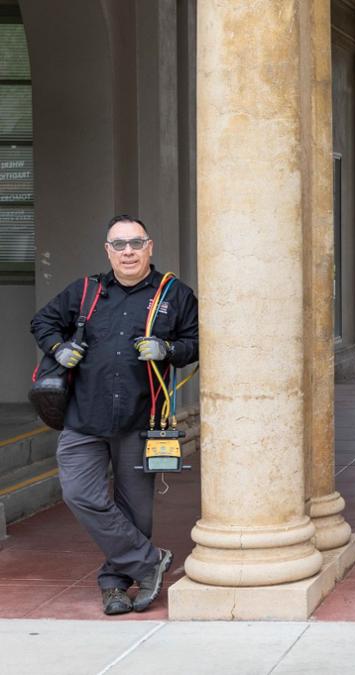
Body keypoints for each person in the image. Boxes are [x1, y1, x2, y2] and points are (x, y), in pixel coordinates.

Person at [30, 215, 199, 616]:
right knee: (79, 494)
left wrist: (167, 350)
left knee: (136, 511)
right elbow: (43, 321)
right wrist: (57, 348)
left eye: (135, 243)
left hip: (143, 419)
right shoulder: (86, 291)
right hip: (84, 416)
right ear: (107, 251)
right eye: (119, 244)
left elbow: (194, 342)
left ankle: (115, 585)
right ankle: (148, 562)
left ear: (149, 247)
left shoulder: (174, 294)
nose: (127, 251)